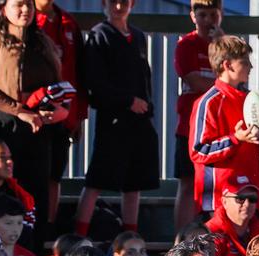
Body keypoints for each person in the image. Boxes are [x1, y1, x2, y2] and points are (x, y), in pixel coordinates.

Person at [0, 0, 63, 250]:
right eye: (18, 4)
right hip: (3, 127)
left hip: (37, 128)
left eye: (29, 5)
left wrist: (58, 108)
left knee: (36, 195)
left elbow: (56, 83)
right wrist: (18, 110)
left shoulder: (42, 41)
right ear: (3, 8)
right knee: (4, 192)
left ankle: (33, 254)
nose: (25, 10)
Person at [75, 0, 158, 237]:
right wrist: (127, 101)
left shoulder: (138, 36)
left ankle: (130, 239)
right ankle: (78, 236)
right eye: (113, 1)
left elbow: (145, 77)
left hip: (140, 121)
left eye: (124, 1)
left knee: (134, 184)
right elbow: (94, 81)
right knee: (96, 181)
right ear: (104, 4)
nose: (119, 6)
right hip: (113, 120)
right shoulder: (100, 35)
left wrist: (146, 105)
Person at [189, 35, 259, 216]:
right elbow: (199, 150)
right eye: (244, 62)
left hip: (250, 197)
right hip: (218, 203)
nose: (250, 67)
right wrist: (236, 139)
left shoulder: (250, 99)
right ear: (227, 65)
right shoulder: (209, 102)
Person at [34, 0, 87, 231]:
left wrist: (79, 116)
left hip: (64, 116)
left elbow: (79, 73)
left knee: (55, 175)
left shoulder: (69, 22)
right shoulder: (25, 20)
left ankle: (49, 226)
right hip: (34, 115)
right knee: (34, 175)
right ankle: (31, 224)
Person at [173, 0, 224, 228]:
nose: (207, 21)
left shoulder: (224, 46)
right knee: (187, 182)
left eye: (212, 15)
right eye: (202, 15)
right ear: (193, 16)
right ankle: (181, 238)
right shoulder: (187, 44)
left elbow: (237, 74)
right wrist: (222, 86)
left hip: (220, 127)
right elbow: (194, 80)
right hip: (190, 126)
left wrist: (221, 44)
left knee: (219, 184)